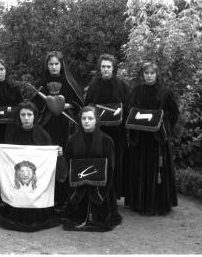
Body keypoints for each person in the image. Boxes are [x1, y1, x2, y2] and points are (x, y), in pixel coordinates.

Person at [0, 101, 64, 232]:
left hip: (36, 182)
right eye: (23, 115)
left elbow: (48, 161)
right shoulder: (12, 134)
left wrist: (57, 153)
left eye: (29, 114)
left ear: (35, 116)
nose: (26, 118)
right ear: (18, 116)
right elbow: (7, 158)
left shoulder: (43, 135)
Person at [125, 62, 179, 216]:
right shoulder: (136, 91)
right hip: (140, 139)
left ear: (156, 74)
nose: (149, 75)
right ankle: (139, 203)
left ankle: (158, 204)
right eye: (146, 73)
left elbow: (174, 113)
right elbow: (129, 110)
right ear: (142, 74)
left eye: (152, 73)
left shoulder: (165, 92)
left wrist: (161, 119)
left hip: (157, 140)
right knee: (139, 170)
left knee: (157, 173)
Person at [32, 51, 84, 209]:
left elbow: (80, 102)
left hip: (66, 127)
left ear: (61, 65)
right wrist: (47, 104)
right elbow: (34, 106)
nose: (54, 67)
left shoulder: (69, 82)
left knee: (65, 158)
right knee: (49, 161)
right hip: (47, 128)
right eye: (51, 64)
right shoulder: (41, 83)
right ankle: (49, 198)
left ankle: (66, 198)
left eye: (56, 64)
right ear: (47, 66)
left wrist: (65, 105)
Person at [62, 106, 122, 232]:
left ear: (96, 120)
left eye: (90, 118)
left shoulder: (107, 141)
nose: (87, 121)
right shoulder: (72, 141)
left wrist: (102, 192)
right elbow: (67, 167)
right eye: (84, 118)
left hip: (100, 190)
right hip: (78, 190)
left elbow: (110, 168)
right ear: (80, 120)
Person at [85, 54, 130, 199]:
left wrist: (121, 113)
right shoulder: (93, 85)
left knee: (115, 162)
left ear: (113, 68)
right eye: (103, 67)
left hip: (117, 133)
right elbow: (88, 106)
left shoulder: (122, 85)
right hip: (98, 133)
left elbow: (128, 107)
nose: (105, 70)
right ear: (100, 68)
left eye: (108, 67)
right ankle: (98, 192)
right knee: (99, 161)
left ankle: (114, 194)